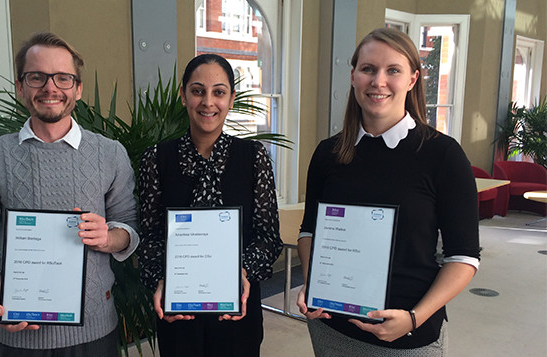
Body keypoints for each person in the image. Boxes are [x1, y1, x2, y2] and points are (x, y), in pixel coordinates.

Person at [296, 27, 480, 356]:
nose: (378, 81)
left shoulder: (443, 155)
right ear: (353, 76)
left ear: (412, 79)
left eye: (392, 70)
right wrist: (314, 285)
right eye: (368, 69)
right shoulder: (328, 153)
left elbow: (463, 257)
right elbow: (310, 230)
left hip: (406, 336)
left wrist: (414, 318)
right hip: (331, 327)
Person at [0, 32, 139, 356]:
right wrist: (4, 291)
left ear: (77, 88)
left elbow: (129, 227)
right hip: (18, 338)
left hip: (95, 333)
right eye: (37, 77)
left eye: (63, 78)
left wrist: (108, 238)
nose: (50, 88)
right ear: (20, 86)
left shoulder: (111, 153)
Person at [137, 53, 283, 357]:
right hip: (178, 311)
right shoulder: (156, 159)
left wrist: (242, 272)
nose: (208, 102)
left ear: (231, 99)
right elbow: (149, 237)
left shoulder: (253, 157)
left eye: (219, 92)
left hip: (237, 308)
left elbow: (269, 237)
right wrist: (160, 279)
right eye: (197, 90)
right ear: (183, 95)